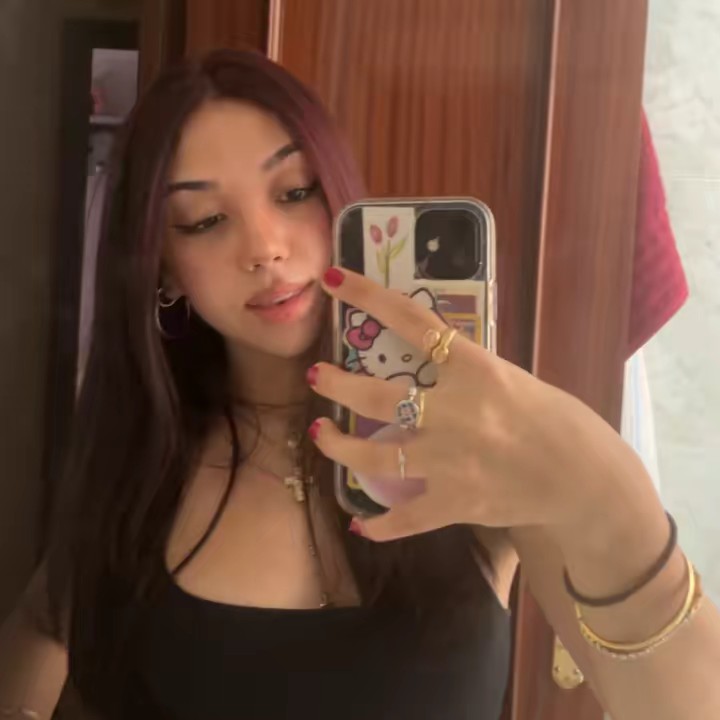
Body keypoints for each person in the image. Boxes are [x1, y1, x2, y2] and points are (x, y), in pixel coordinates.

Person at [0, 48, 718, 720]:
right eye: (205, 220)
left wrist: (611, 497)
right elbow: (44, 617)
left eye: (294, 191)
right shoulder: (140, 455)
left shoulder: (470, 439)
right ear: (162, 265)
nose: (264, 247)